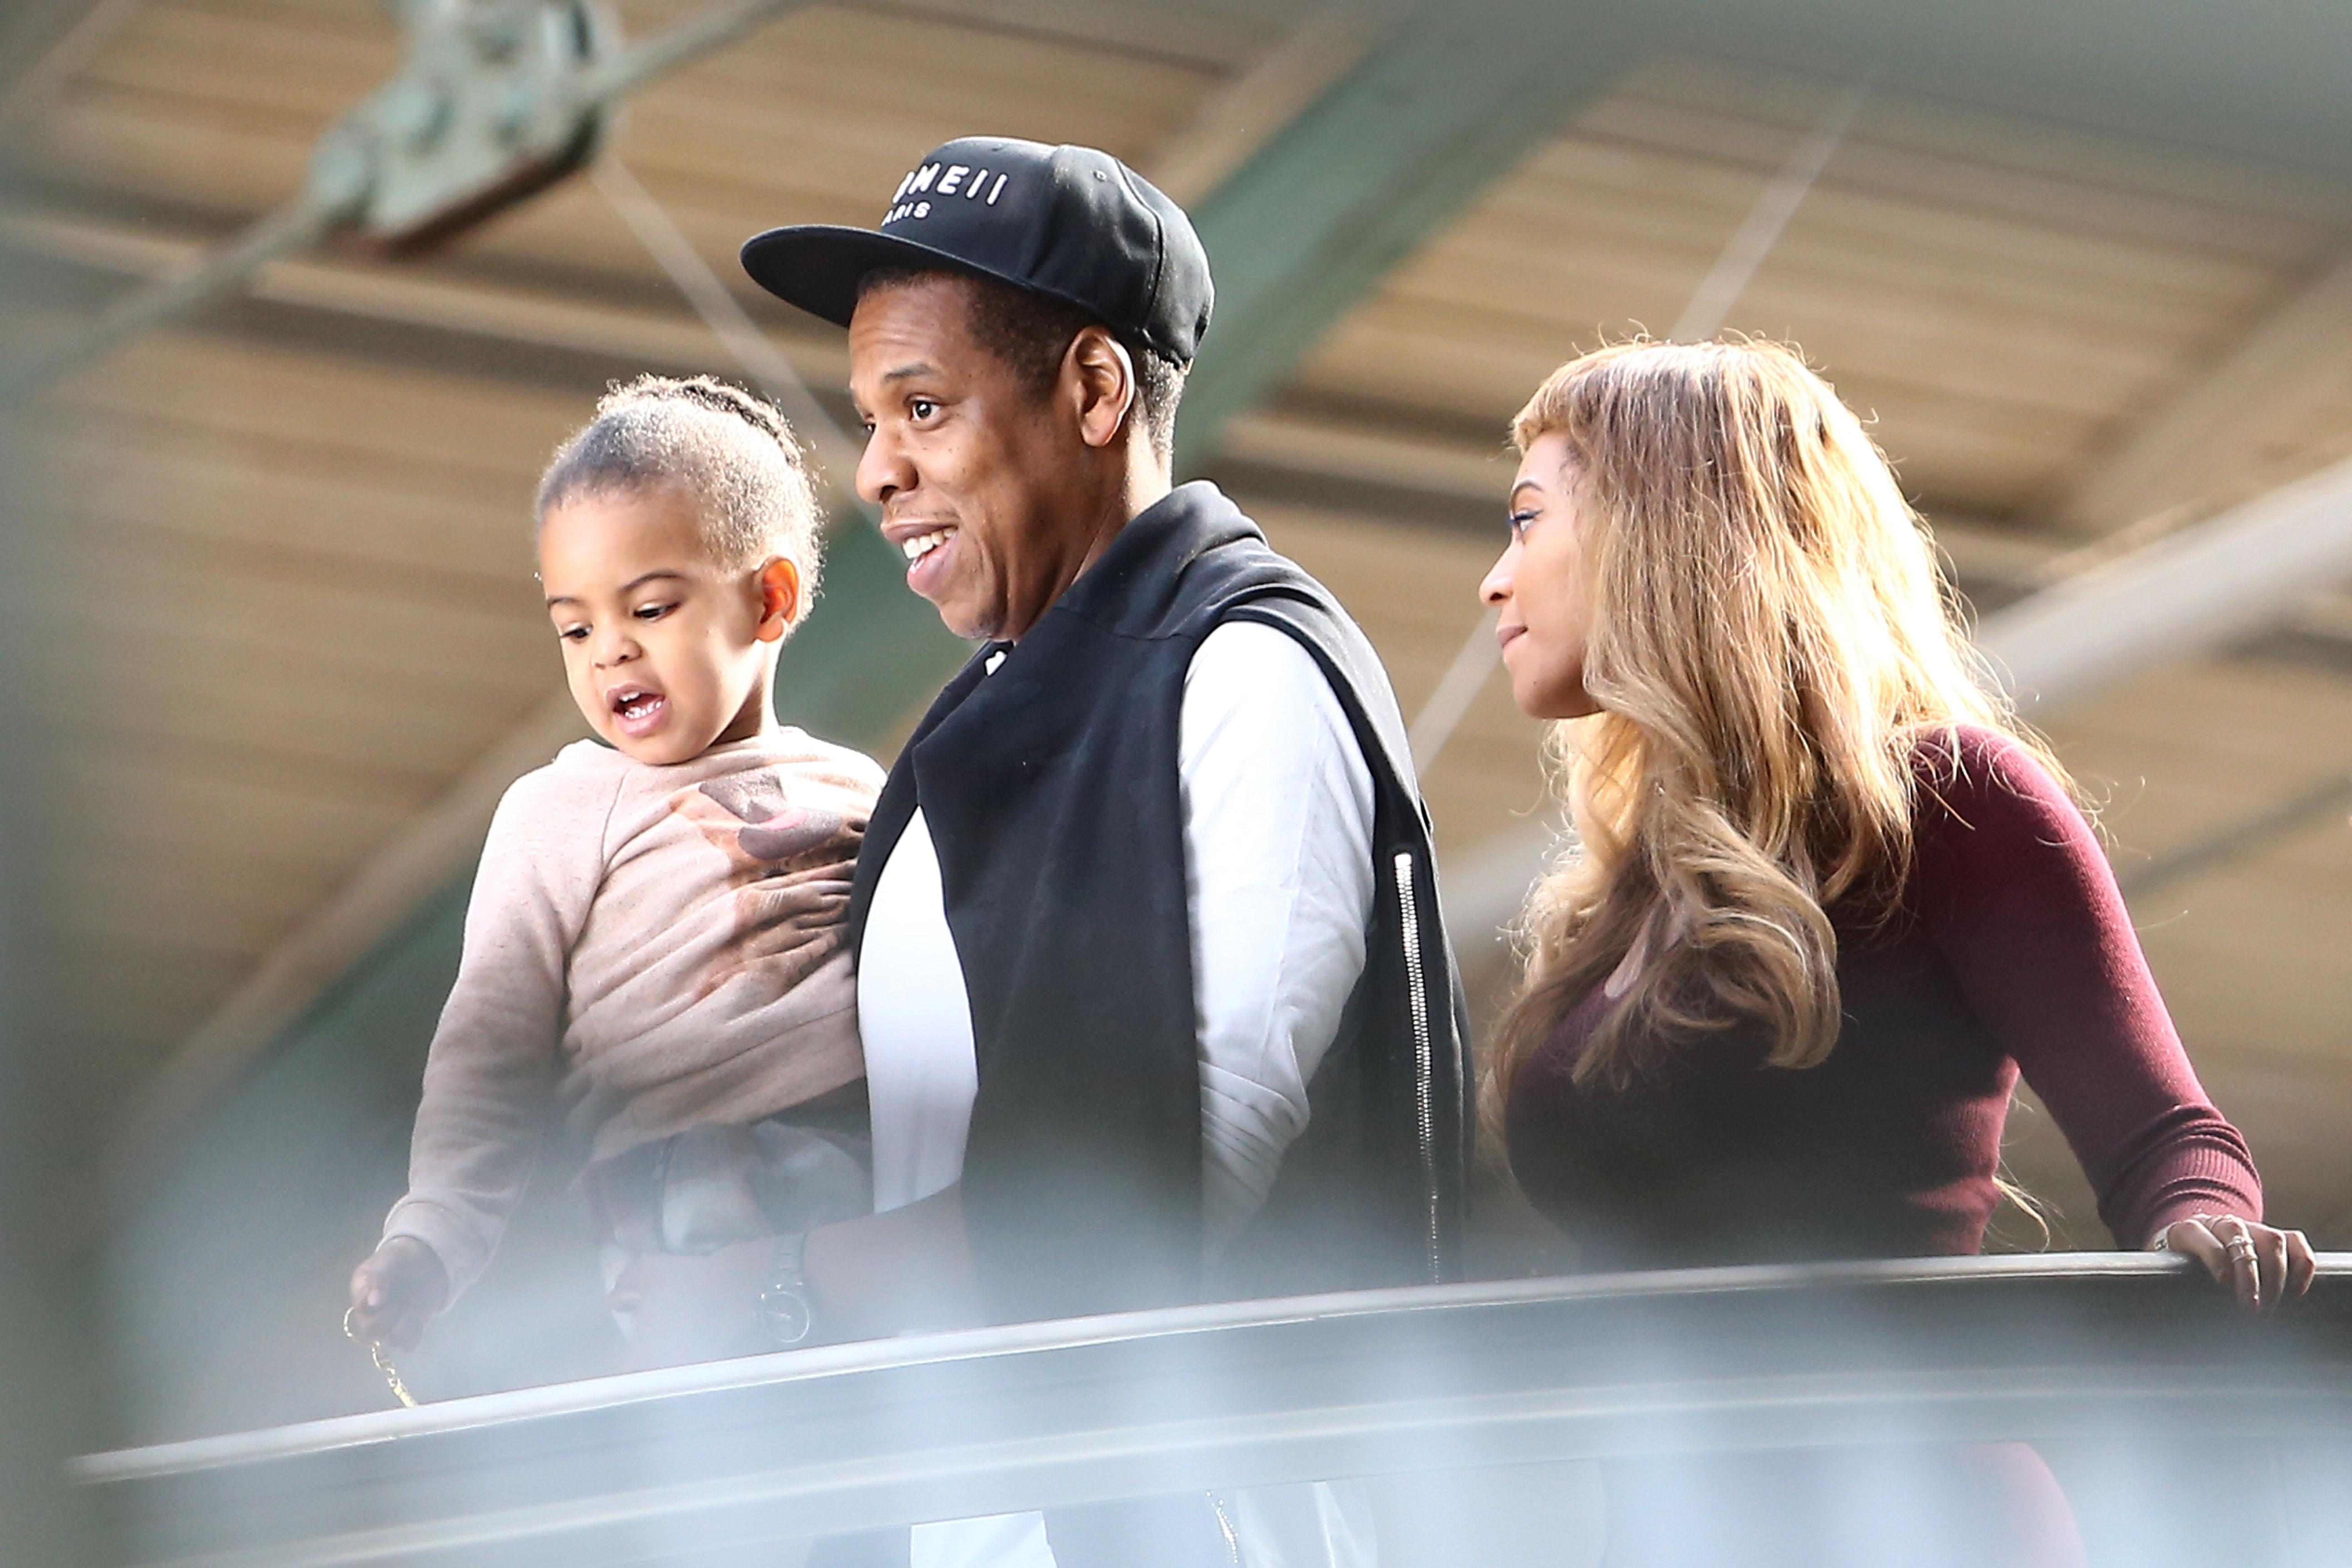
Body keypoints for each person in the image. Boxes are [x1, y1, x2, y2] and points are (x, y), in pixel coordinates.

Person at [722, 134, 1470, 1568]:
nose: (875, 471)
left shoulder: (1250, 673)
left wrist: (786, 1286)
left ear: (1093, 389)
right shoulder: (968, 737)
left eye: (924, 407)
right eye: (869, 418)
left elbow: (1165, 1186)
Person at [1477, 339, 2314, 1565]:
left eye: (1528, 520)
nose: (1496, 583)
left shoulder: (1945, 797)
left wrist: (2205, 1228)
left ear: (1666, 528)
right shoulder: (1623, 902)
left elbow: (2168, 1142)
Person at [344, 376, 885, 1369]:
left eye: (649, 607)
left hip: (878, 1157)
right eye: (576, 627)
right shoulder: (560, 812)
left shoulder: (859, 789)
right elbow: (489, 1054)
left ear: (770, 598)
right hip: (682, 1182)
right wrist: (431, 1241)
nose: (611, 652)